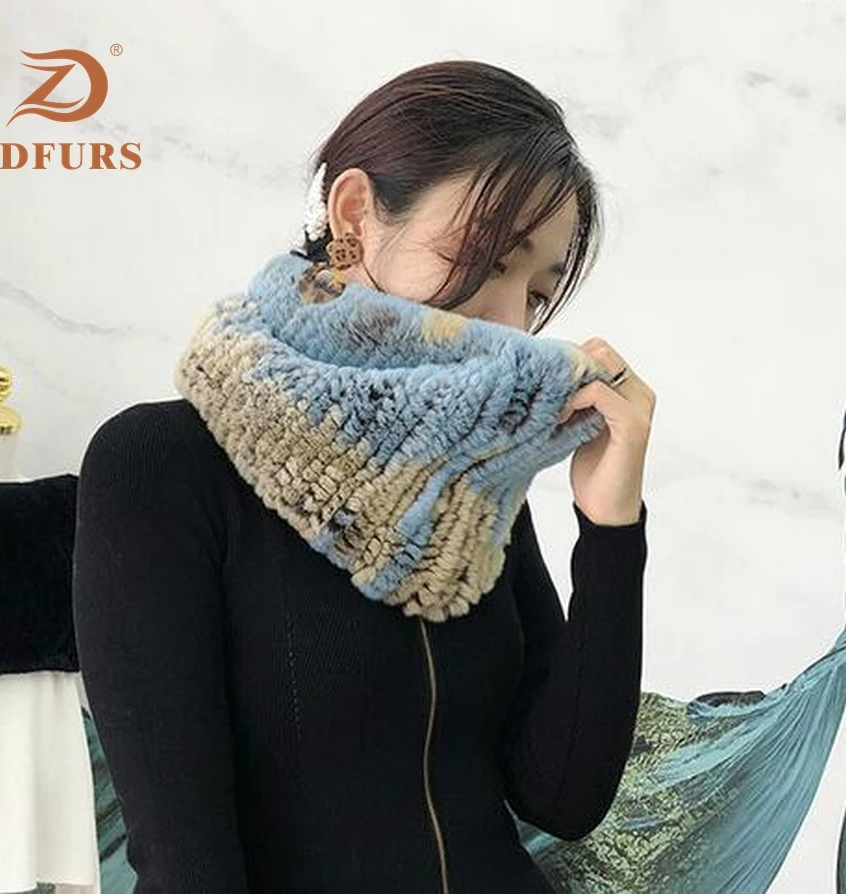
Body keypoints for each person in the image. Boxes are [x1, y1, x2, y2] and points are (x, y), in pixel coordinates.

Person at [75, 59, 846, 894]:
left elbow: (564, 795)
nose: (512, 321)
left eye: (537, 293)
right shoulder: (162, 467)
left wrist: (611, 530)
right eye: (490, 258)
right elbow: (187, 865)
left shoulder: (474, 488)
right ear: (354, 215)